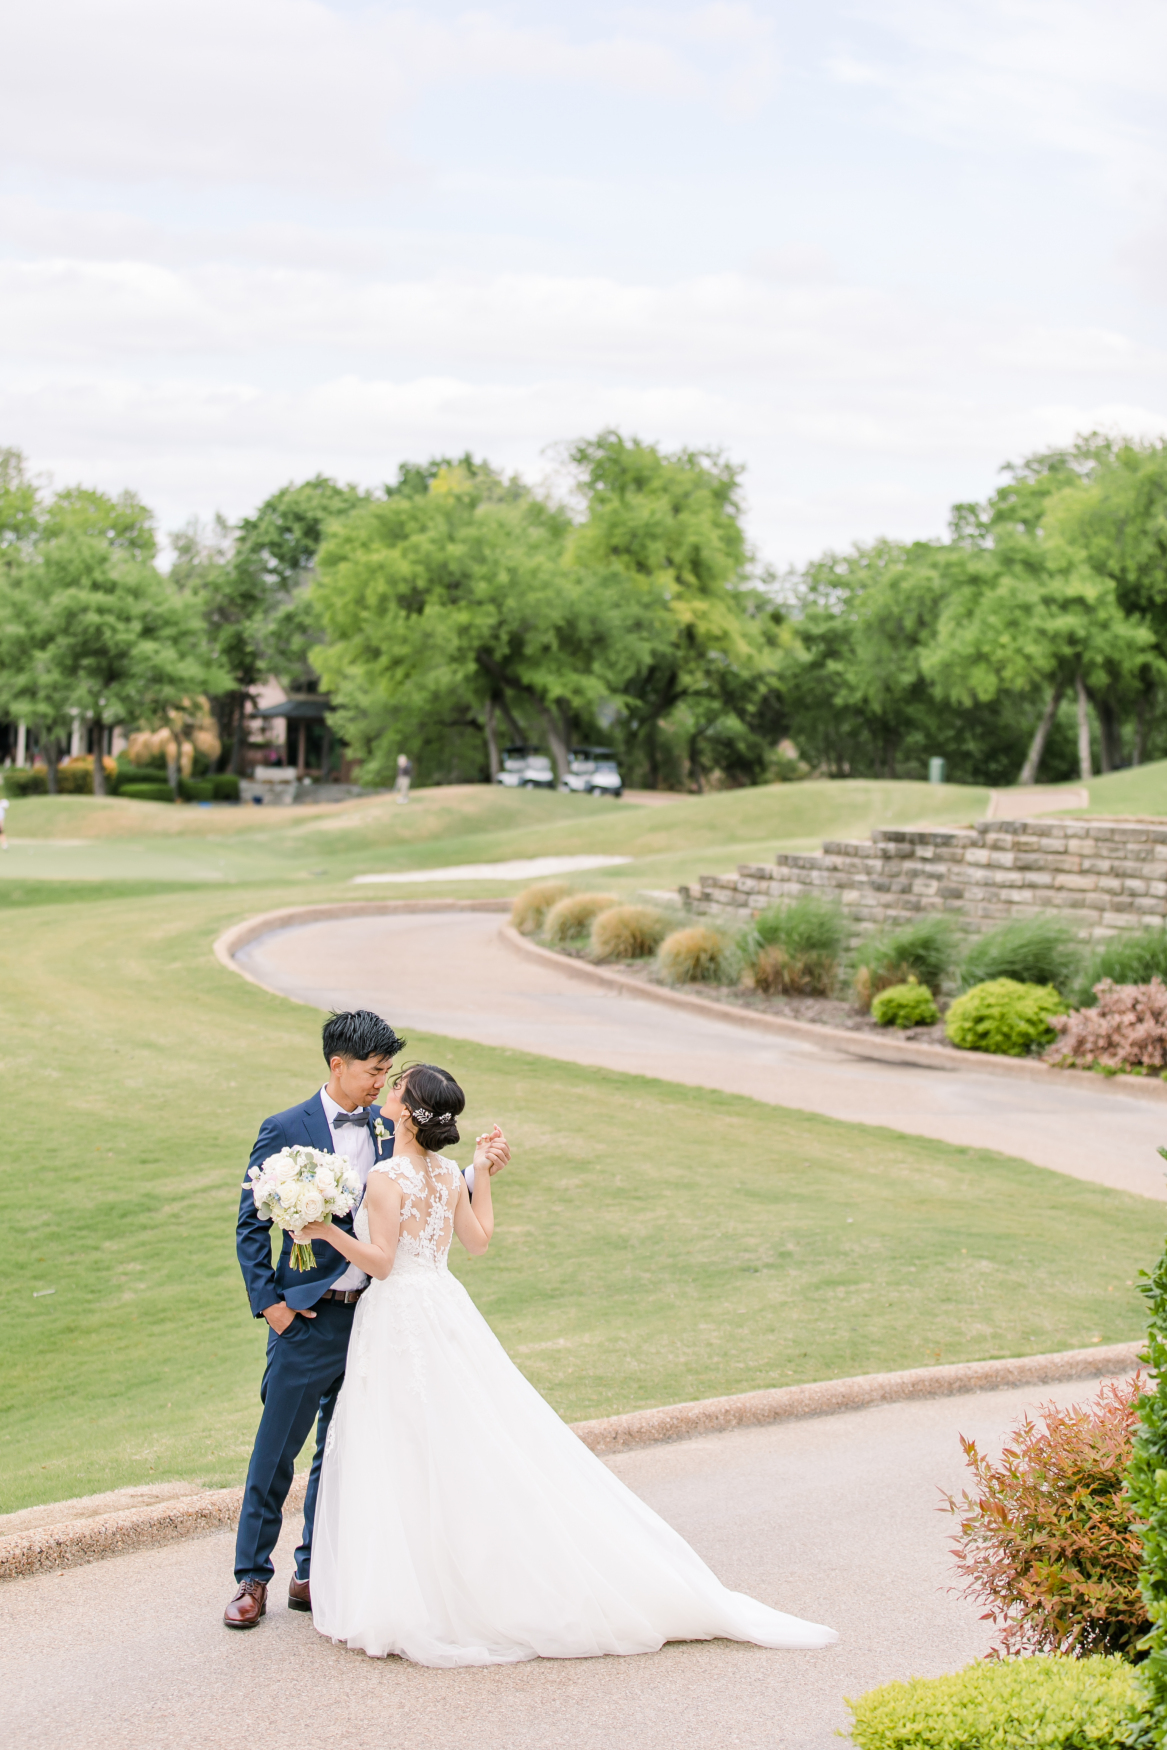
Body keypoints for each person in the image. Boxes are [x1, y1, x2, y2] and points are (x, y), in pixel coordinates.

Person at [298, 1063, 838, 1666]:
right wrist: (485, 1180)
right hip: (444, 1308)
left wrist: (323, 1230)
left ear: (406, 1108)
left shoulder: (384, 1177)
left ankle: (420, 1589)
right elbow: (478, 1242)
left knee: (403, 1441)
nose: (387, 1090)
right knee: (464, 1434)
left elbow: (382, 1263)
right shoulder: (451, 1174)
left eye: (395, 1085)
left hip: (400, 1317)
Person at [223, 1011, 509, 1630]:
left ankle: (312, 1569)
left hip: (378, 1319)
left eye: (388, 1073)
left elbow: (420, 1181)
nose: (382, 1083)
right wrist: (272, 1306)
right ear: (337, 1066)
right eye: (374, 1071)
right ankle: (252, 1578)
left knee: (344, 1450)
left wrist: (477, 1170)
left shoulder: (389, 1129)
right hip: (307, 1318)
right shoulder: (285, 1128)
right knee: (277, 1451)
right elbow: (251, 1224)